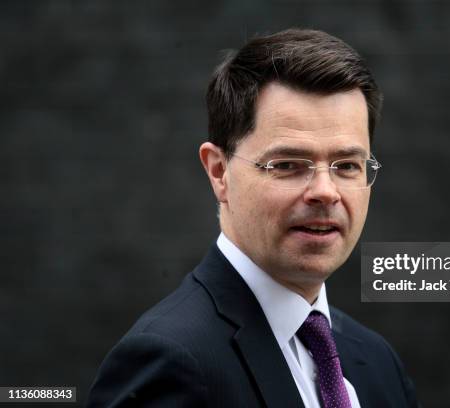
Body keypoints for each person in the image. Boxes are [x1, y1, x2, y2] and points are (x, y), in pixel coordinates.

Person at [87, 28, 419, 407]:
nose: (326, 192)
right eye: (288, 165)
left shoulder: (377, 362)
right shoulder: (171, 361)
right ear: (218, 172)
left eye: (346, 165)